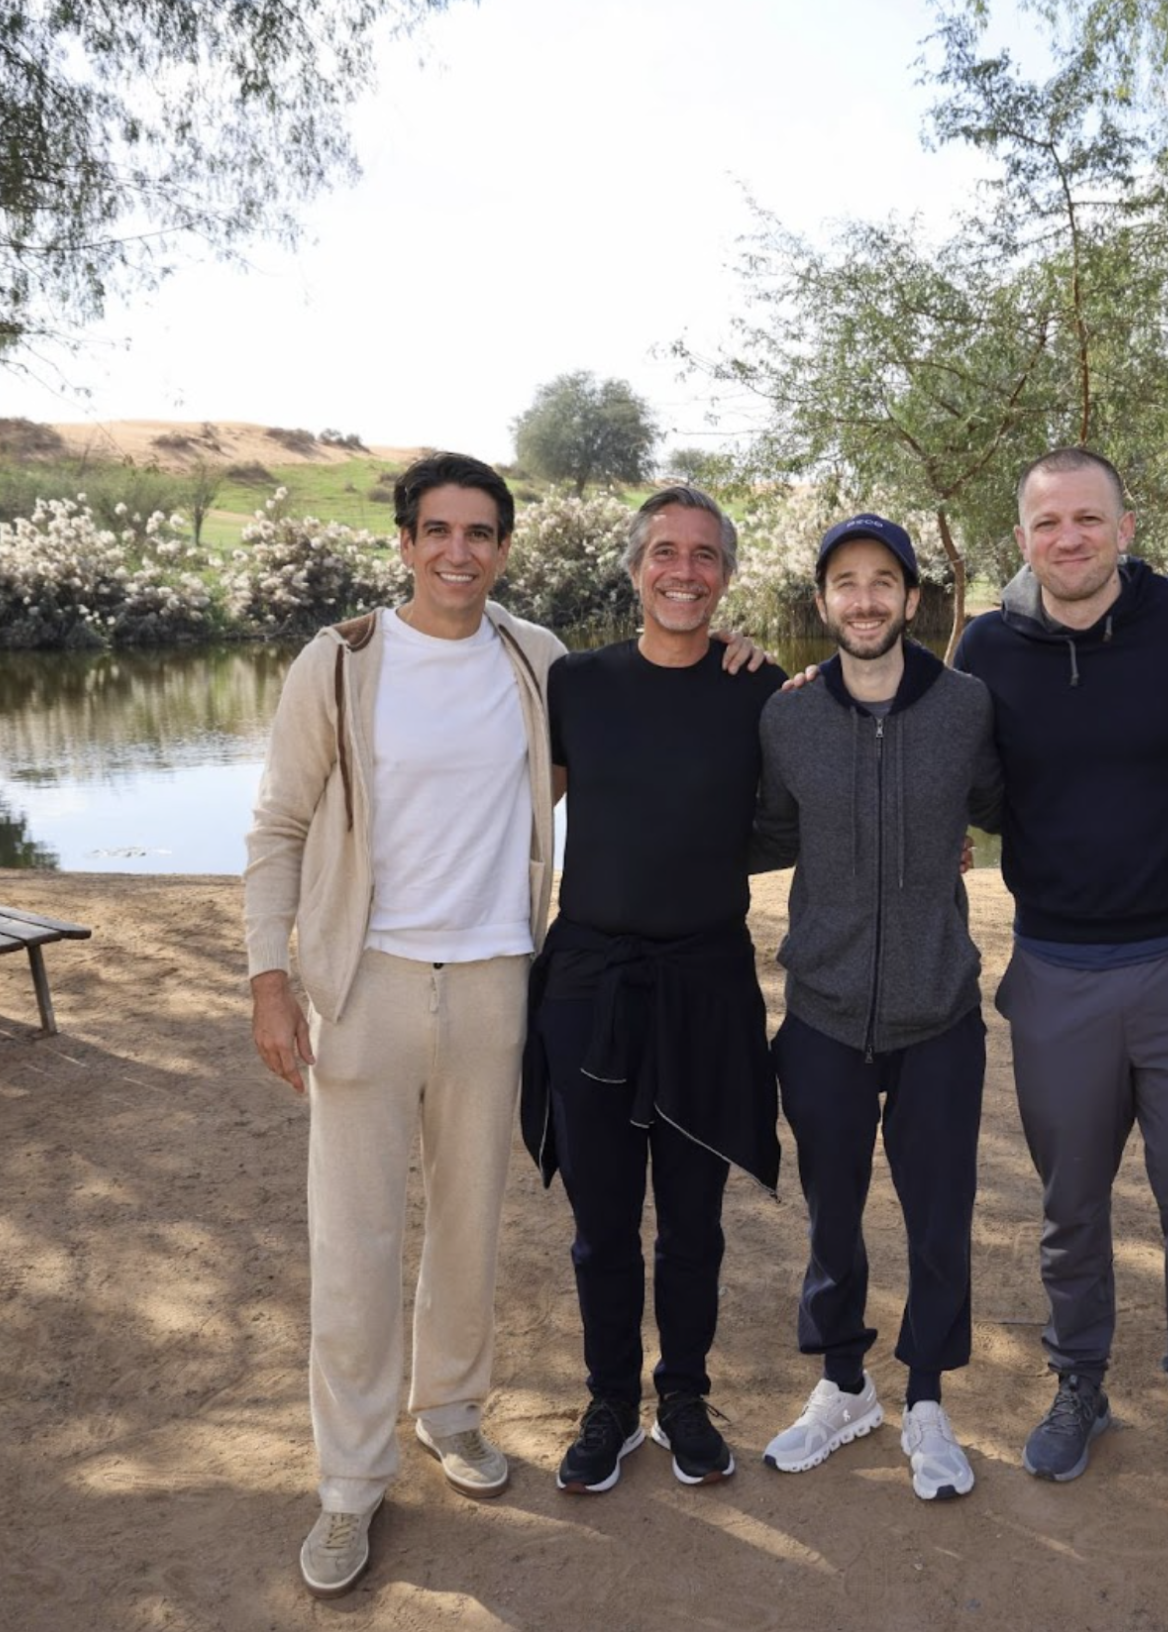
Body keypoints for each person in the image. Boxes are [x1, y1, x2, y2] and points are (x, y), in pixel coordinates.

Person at [243, 452, 564, 1599]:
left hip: (492, 983)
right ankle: (347, 1485)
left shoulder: (538, 661)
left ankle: (454, 1413)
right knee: (356, 1241)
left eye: (480, 532)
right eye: (437, 530)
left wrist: (743, 671)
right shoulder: (339, 663)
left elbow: (611, 748)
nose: (458, 552)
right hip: (364, 986)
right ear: (403, 541)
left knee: (469, 1223)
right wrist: (269, 979)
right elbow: (278, 824)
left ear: (505, 548)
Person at [954, 447, 1168, 1502]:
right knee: (1070, 1204)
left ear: (1125, 528)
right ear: (1024, 540)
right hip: (1055, 970)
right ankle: (1077, 1381)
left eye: (1088, 520)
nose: (1069, 539)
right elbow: (977, 788)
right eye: (1048, 525)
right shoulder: (987, 646)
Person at [521, 484, 786, 1496]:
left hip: (707, 981)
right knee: (599, 1222)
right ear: (633, 569)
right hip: (588, 981)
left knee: (693, 1220)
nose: (685, 571)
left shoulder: (757, 690)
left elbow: (803, 805)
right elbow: (504, 803)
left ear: (725, 574)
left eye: (705, 555)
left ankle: (681, 1397)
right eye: (665, 553)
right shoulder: (574, 684)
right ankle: (609, 1405)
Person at [752, 513, 1003, 1501]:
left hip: (938, 1011)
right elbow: (761, 826)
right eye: (844, 583)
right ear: (821, 603)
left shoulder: (968, 706)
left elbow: (1006, 806)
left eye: (881, 581)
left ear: (910, 597)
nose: (863, 599)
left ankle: (930, 1404)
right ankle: (843, 1386)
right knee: (831, 1216)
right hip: (820, 1010)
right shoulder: (785, 716)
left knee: (938, 1216)